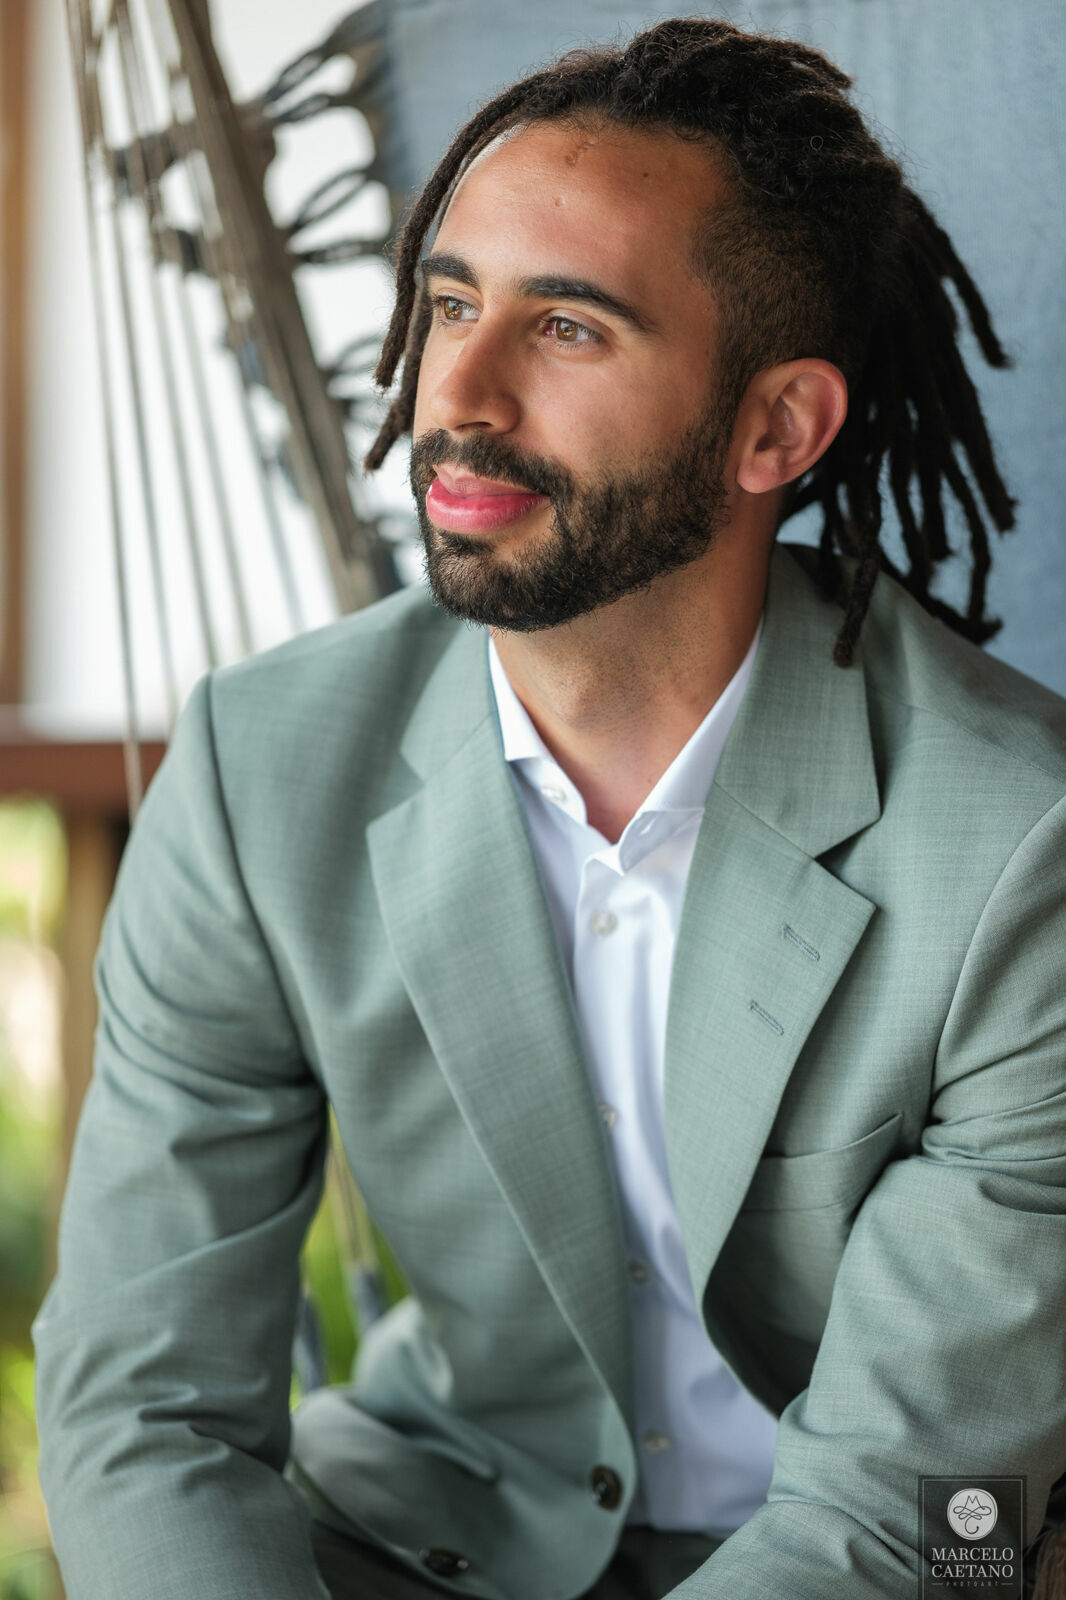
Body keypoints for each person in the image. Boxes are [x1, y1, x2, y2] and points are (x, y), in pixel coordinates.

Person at [33, 17, 1066, 1600]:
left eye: (567, 328)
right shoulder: (262, 770)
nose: (458, 389)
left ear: (774, 428)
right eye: (449, 300)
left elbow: (897, 1514)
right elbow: (146, 1402)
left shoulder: (1016, 849)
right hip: (433, 1535)